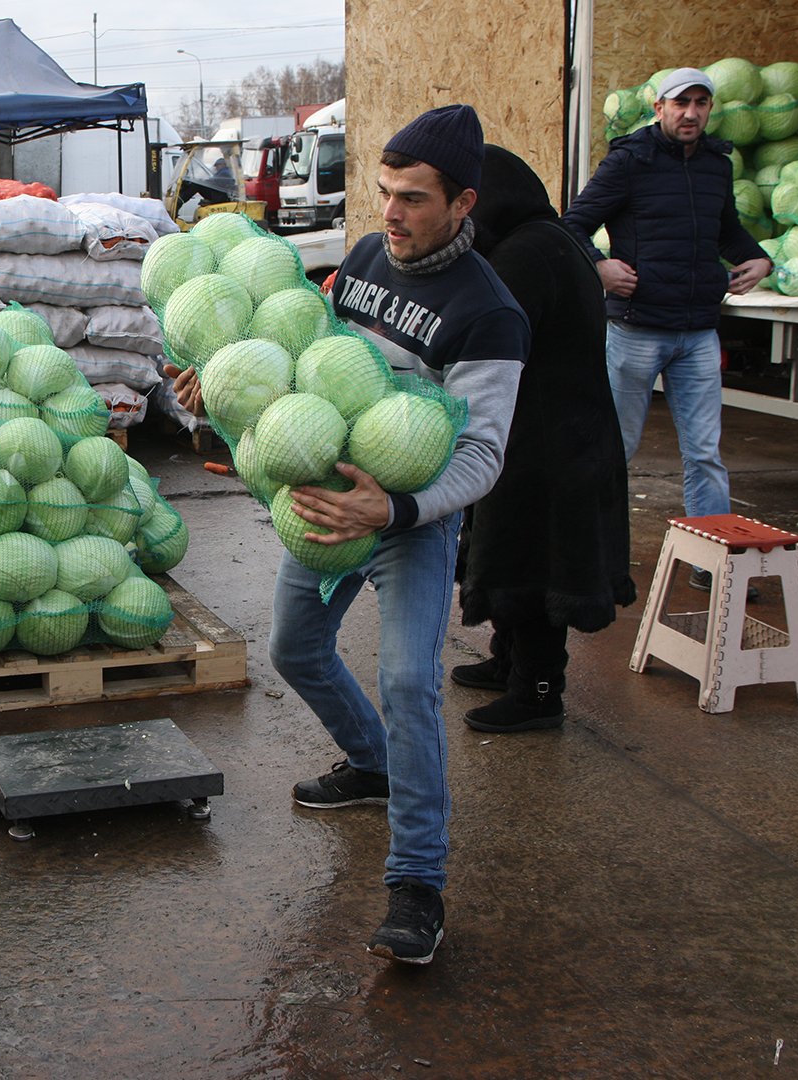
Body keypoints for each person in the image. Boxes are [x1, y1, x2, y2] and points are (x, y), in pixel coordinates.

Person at [176, 105, 528, 965]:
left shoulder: (490, 315)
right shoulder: (368, 259)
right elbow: (311, 364)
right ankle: (372, 766)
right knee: (295, 650)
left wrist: (396, 510)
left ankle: (417, 885)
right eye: (383, 194)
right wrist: (222, 387)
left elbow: (482, 458)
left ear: (462, 203)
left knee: (409, 679)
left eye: (412, 199)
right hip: (326, 507)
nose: (390, 215)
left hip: (409, 521)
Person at [561, 68, 772, 589]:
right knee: (616, 447)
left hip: (698, 331)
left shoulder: (716, 166)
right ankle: (587, 555)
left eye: (701, 103)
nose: (691, 113)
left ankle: (711, 562)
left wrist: (758, 258)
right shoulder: (630, 162)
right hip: (636, 331)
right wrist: (600, 267)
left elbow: (727, 229)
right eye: (681, 103)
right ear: (659, 107)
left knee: (705, 452)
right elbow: (571, 225)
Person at [453, 144, 637, 734]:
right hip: (552, 430)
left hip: (553, 443)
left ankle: (538, 692)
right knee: (511, 549)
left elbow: (487, 336)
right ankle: (509, 663)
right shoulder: (547, 239)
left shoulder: (528, 254)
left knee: (535, 565)